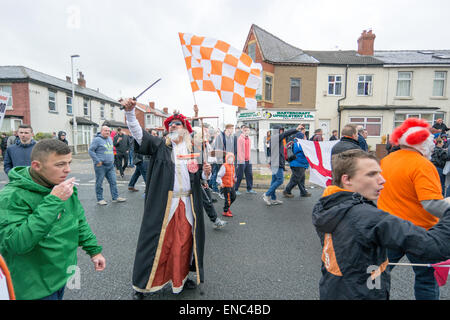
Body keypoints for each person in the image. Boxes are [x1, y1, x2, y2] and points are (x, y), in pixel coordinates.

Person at [312, 149, 450, 300]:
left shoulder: (328, 204)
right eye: (372, 174)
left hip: (335, 290)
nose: (382, 180)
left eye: (379, 173)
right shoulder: (368, 217)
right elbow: (434, 246)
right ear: (347, 179)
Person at [121, 98, 211, 299]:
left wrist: (206, 173)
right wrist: (130, 113)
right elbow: (138, 134)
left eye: (177, 124)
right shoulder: (160, 145)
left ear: (185, 129)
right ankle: (143, 284)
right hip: (165, 204)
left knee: (184, 242)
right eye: (171, 125)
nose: (173, 127)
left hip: (187, 204)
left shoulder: (193, 151)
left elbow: (198, 178)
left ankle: (180, 277)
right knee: (156, 242)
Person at [0, 139, 106, 300]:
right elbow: (17, 243)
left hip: (59, 276)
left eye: (69, 163)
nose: (68, 170)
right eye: (60, 165)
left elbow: (78, 221)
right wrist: (53, 201)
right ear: (36, 165)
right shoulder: (11, 197)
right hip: (32, 286)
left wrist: (94, 251)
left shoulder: (62, 187)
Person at [378, 117, 448, 300]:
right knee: (426, 280)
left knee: (376, 273)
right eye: (431, 140)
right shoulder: (422, 165)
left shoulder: (386, 161)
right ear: (421, 142)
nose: (434, 144)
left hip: (389, 228)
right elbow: (431, 203)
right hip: (420, 232)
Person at [262, 124, 303, 206]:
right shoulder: (276, 137)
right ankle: (267, 194)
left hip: (274, 162)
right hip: (277, 163)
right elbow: (286, 134)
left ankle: (273, 199)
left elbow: (271, 152)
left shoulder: (273, 139)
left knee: (274, 181)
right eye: (281, 130)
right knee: (280, 180)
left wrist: (270, 162)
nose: (282, 131)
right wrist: (296, 129)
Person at [88, 126, 126, 205]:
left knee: (113, 182)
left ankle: (115, 197)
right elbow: (91, 151)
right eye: (105, 131)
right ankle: (100, 199)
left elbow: (110, 150)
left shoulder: (109, 139)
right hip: (101, 166)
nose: (108, 132)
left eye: (109, 131)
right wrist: (97, 160)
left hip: (110, 165)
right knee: (99, 182)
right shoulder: (97, 140)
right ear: (101, 131)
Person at [235, 125, 256, 195]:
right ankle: (235, 189)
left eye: (248, 130)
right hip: (241, 160)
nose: (247, 132)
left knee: (249, 174)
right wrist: (241, 160)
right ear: (243, 131)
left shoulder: (249, 139)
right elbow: (239, 150)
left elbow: (249, 150)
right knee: (239, 175)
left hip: (248, 160)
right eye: (245, 130)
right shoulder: (240, 139)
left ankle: (249, 189)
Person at [217, 152, 237, 217]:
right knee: (228, 199)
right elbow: (219, 175)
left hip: (231, 185)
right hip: (226, 186)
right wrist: (220, 183)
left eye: (231, 158)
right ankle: (225, 211)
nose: (230, 160)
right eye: (229, 158)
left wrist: (234, 179)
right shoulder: (224, 166)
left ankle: (227, 207)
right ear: (226, 159)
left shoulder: (233, 166)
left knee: (233, 197)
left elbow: (233, 175)